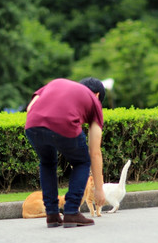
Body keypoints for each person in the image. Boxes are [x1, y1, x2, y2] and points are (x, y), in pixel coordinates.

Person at [24, 78, 107, 228]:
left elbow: (30, 107)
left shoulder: (56, 83)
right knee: (82, 162)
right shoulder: (94, 102)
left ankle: (52, 215)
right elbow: (94, 152)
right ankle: (71, 211)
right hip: (64, 123)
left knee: (47, 162)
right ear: (97, 95)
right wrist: (99, 190)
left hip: (32, 124)